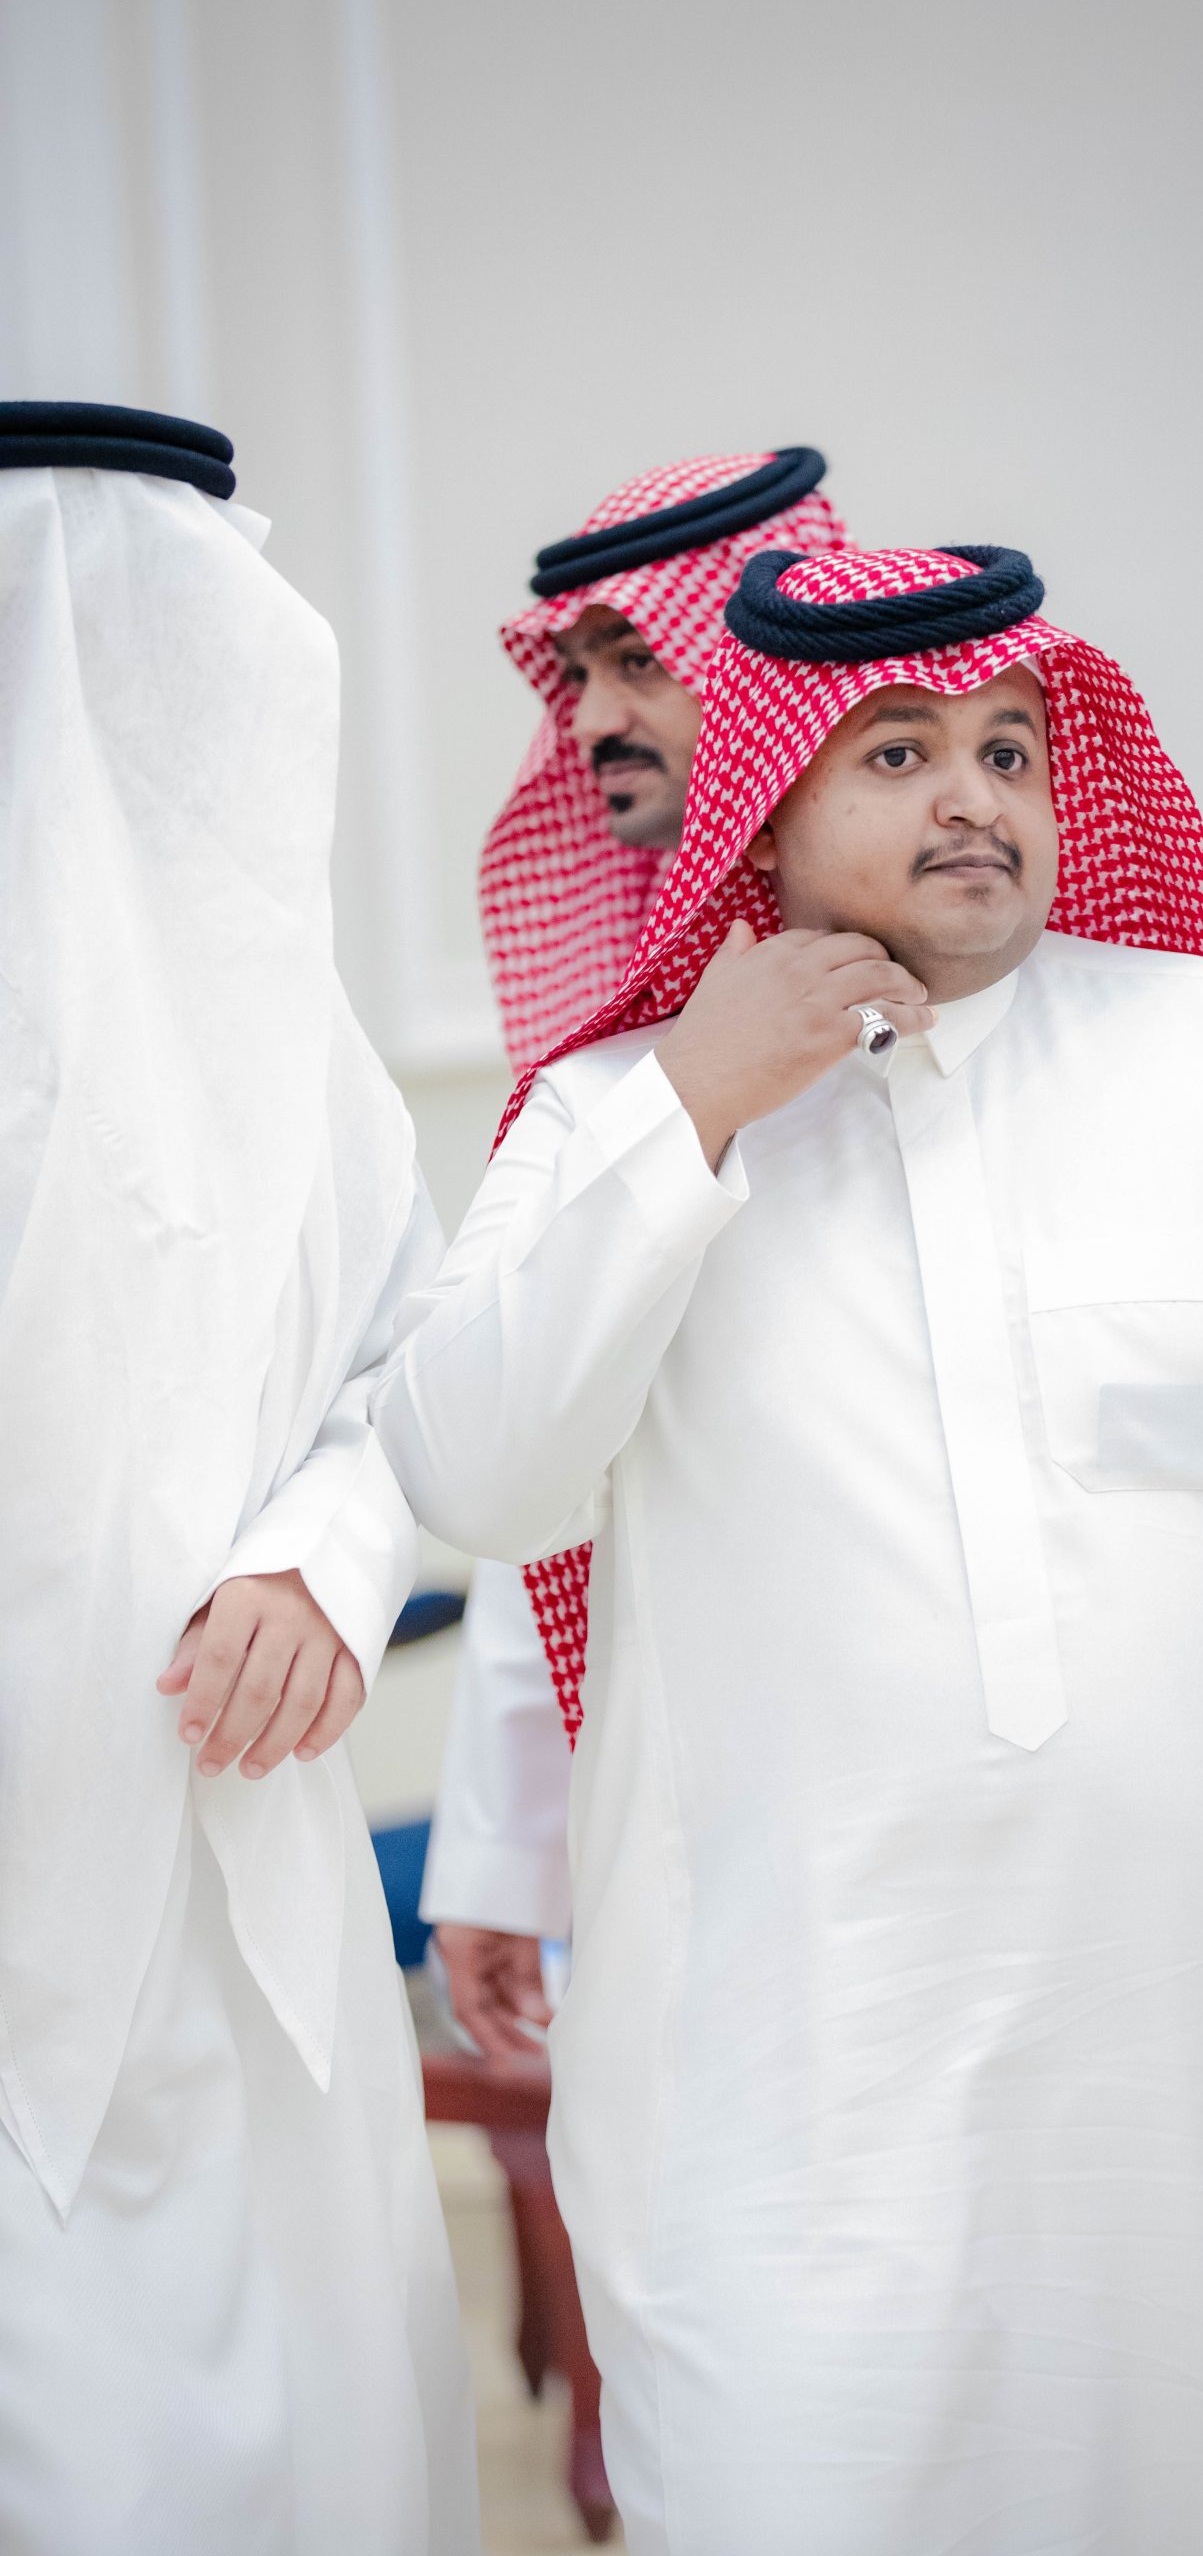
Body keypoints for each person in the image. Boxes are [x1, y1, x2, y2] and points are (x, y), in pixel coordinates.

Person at [376, 539, 1203, 2553]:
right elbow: (476, 1474)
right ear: (764, 803)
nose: (972, 797)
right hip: (796, 2089)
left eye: (1009, 750)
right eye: (900, 753)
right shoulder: (610, 1111)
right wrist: (699, 1107)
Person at [0, 402, 478, 2556]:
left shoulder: (301, 1053)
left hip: (240, 1871)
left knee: (310, 2430)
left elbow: (400, 1371)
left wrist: (318, 1562)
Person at [424, 448, 851, 2058]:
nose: (590, 718)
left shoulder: (961, 998)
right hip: (690, 1826)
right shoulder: (605, 1069)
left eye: (636, 663)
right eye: (577, 673)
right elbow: (549, 1457)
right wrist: (505, 1847)